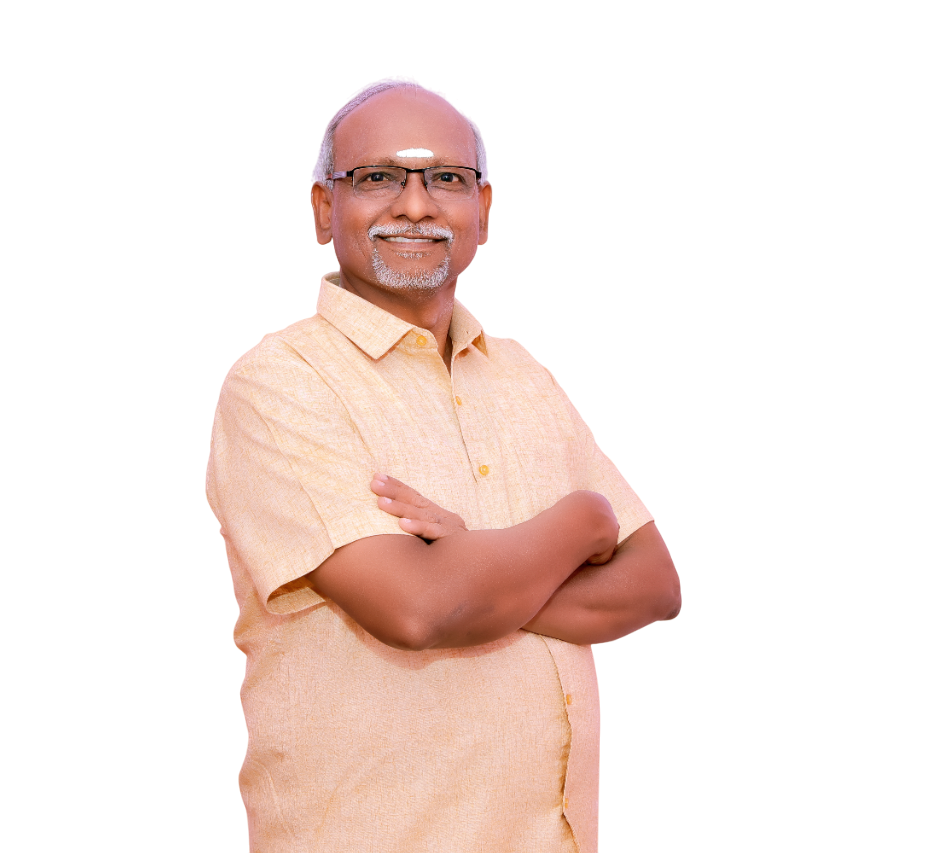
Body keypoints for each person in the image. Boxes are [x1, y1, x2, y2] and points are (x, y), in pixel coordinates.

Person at [205, 75, 681, 853]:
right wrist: (584, 521)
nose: (416, 205)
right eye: (377, 176)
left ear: (483, 212)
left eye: (447, 179)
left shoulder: (524, 374)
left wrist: (472, 563)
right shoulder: (280, 383)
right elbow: (417, 611)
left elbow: (654, 584)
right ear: (324, 208)